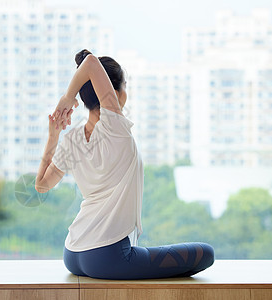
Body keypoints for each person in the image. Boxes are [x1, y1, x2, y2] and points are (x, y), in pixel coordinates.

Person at [35, 49, 214, 280]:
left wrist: (53, 136)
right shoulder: (114, 127)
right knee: (205, 253)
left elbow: (41, 185)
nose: (125, 93)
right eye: (124, 86)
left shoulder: (71, 139)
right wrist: (67, 98)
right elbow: (90, 63)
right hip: (107, 258)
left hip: (72, 252)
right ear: (115, 93)